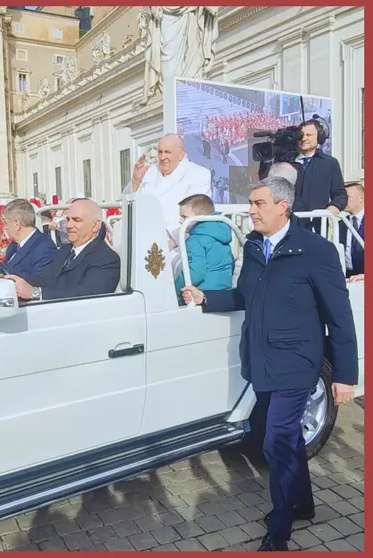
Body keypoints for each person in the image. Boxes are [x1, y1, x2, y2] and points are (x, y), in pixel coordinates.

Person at [181, 176, 358, 552]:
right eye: (251, 203)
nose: (251, 210)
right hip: (260, 360)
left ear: (283, 206)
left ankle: (279, 529)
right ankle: (304, 503)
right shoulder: (255, 245)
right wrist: (205, 298)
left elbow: (340, 317)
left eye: (259, 203)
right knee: (289, 437)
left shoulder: (316, 250)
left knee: (276, 439)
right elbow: (244, 295)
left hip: (297, 360)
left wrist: (345, 375)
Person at [6, 199, 120, 301]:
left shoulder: (106, 259)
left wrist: (35, 292)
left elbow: (86, 295)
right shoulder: (65, 250)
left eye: (77, 220)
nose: (69, 225)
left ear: (95, 226)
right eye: (68, 219)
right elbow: (44, 279)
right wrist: (13, 281)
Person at [123, 133, 211, 244]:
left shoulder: (198, 174)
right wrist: (135, 181)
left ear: (181, 154)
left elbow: (196, 215)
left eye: (167, 152)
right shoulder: (148, 171)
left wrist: (173, 241)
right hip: (140, 238)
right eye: (160, 152)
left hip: (177, 244)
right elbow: (126, 204)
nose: (162, 157)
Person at [175, 194, 234, 298]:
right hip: (224, 293)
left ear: (199, 217)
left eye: (184, 217)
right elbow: (230, 262)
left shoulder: (195, 240)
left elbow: (194, 274)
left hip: (203, 293)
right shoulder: (222, 235)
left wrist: (175, 289)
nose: (180, 221)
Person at [293, 120, 347, 231]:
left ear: (320, 138)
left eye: (309, 135)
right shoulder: (287, 163)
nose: (304, 139)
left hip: (317, 227)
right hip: (289, 225)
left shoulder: (330, 163)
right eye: (301, 135)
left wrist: (334, 206)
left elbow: (340, 194)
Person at [2, 199, 58, 277]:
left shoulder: (44, 248)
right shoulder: (13, 245)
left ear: (17, 224)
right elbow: (6, 268)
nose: (5, 227)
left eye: (5, 223)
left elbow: (42, 283)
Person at [339, 182, 364, 278]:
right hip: (349, 277)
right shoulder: (341, 224)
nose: (343, 201)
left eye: (348, 197)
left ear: (361, 199)